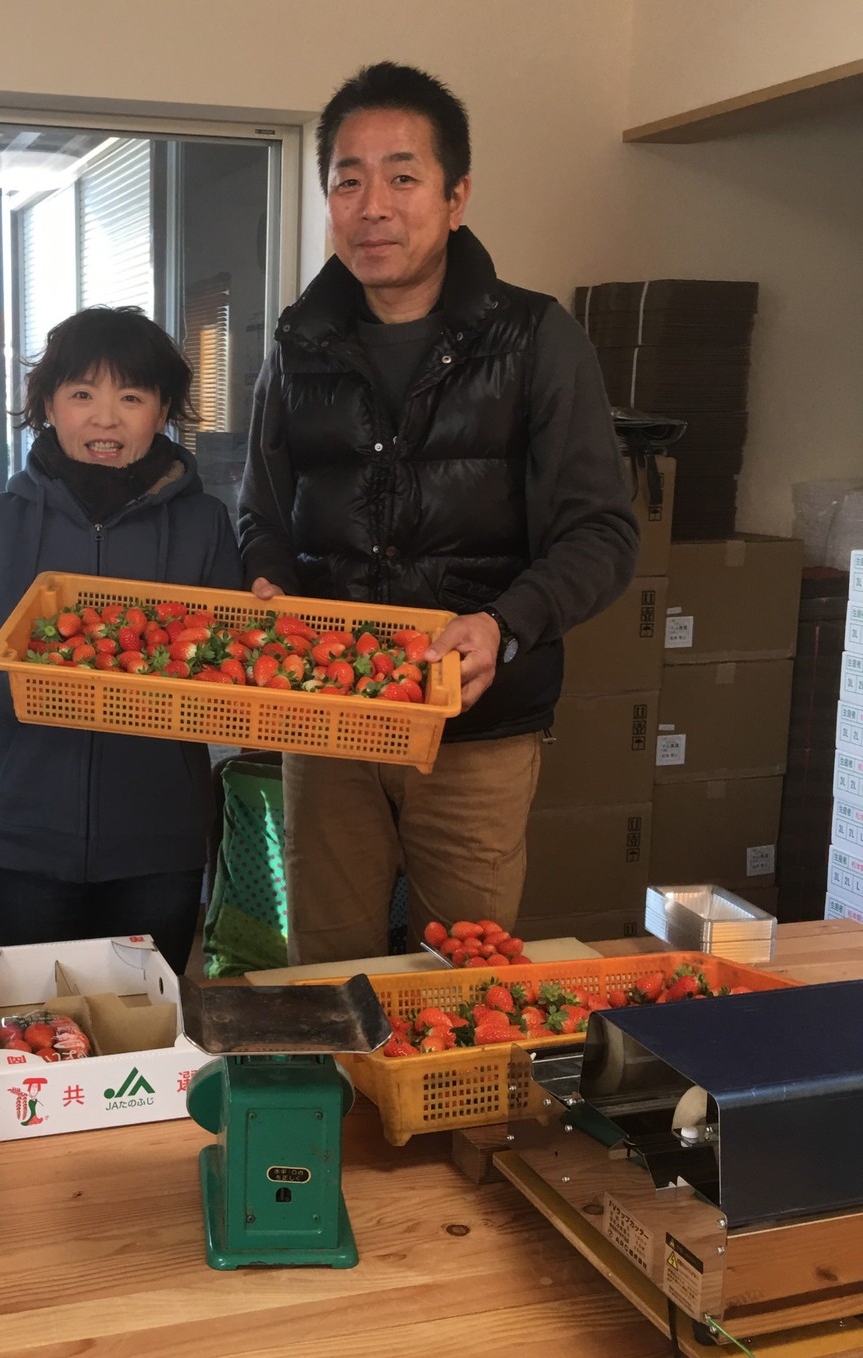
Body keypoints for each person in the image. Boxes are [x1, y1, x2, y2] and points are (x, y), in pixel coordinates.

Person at [239, 62, 639, 965]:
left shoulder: (536, 339)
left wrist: (506, 623)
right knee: (328, 974)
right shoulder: (297, 347)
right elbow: (261, 511)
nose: (373, 207)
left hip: (477, 732)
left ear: (456, 198)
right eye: (348, 181)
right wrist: (267, 579)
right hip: (329, 720)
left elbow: (603, 534)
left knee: (463, 979)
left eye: (403, 177)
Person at [0, 306, 244, 972]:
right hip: (29, 835)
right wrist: (33, 693)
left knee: (146, 1017)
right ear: (48, 406)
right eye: (81, 395)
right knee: (45, 1016)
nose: (106, 419)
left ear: (162, 411)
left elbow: (230, 671)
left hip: (160, 836)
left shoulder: (204, 524)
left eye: (131, 397)